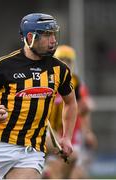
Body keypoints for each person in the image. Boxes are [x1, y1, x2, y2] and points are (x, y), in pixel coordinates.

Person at [0, 13, 77, 179]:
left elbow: (71, 103)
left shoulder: (60, 69)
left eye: (54, 34)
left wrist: (67, 137)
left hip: (32, 150)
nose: (53, 40)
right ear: (30, 37)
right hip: (0, 145)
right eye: (47, 35)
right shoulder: (5, 65)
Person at [43, 45, 97, 179]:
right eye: (62, 60)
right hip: (48, 131)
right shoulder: (46, 81)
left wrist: (88, 132)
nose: (65, 64)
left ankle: (46, 172)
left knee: (78, 174)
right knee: (63, 163)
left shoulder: (77, 84)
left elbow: (84, 110)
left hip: (70, 136)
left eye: (68, 60)